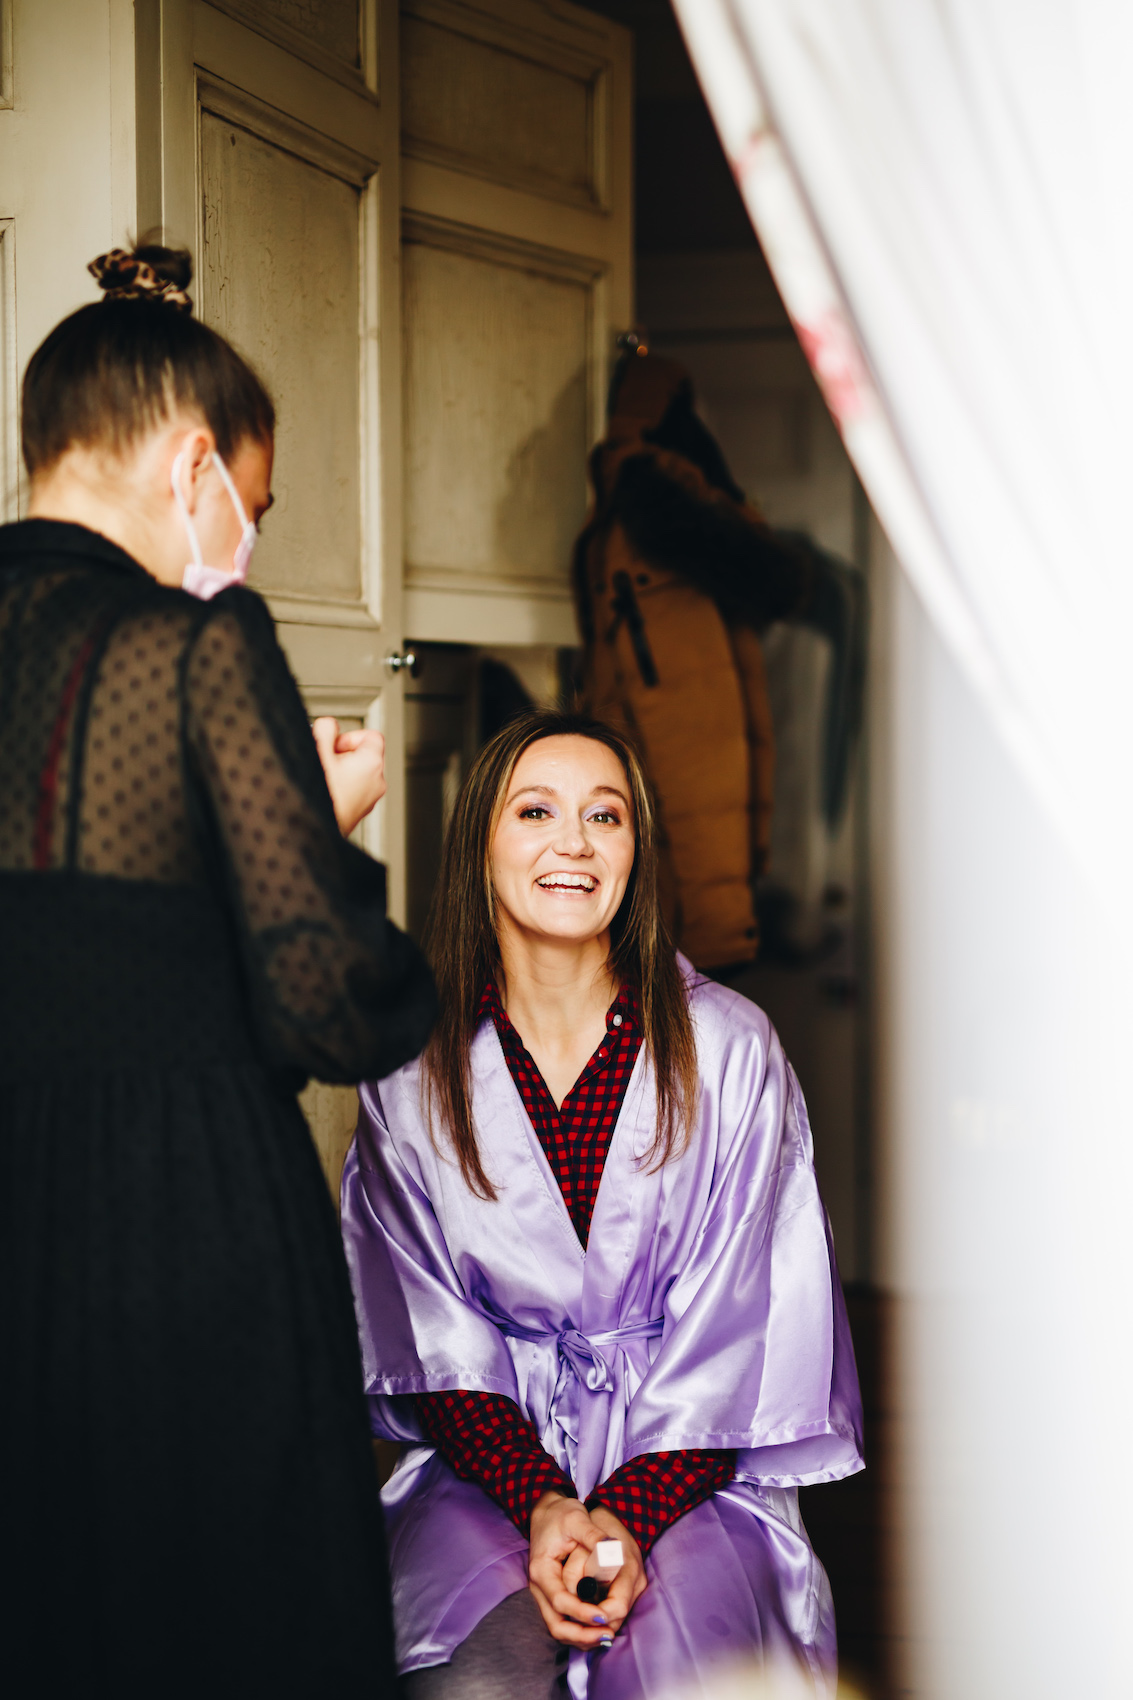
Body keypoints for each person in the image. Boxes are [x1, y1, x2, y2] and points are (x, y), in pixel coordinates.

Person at [0, 244, 436, 1697]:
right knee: (211, 1616)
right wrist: (321, 834)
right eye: (249, 508)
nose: (241, 541)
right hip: (171, 1214)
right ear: (194, 468)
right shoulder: (191, 643)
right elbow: (323, 995)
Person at [341, 709, 863, 1700]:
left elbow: (738, 1327)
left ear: (635, 850)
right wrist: (542, 1501)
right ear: (479, 846)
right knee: (469, 1683)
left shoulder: (728, 1049)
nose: (572, 841)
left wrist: (621, 1509)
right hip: (486, 1468)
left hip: (686, 1472)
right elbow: (427, 1333)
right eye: (534, 810)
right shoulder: (409, 1064)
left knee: (673, 1680)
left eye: (604, 815)